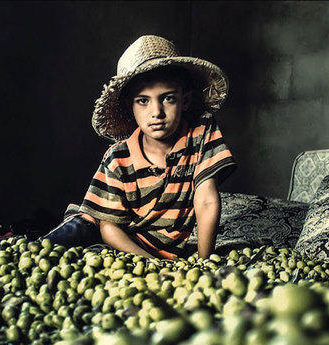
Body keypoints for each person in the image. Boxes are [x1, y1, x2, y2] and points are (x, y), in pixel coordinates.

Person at [44, 35, 236, 260]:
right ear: (129, 106)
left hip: (148, 251)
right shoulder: (118, 158)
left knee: (97, 256)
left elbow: (206, 200)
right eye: (143, 101)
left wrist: (204, 262)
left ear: (185, 101)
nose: (157, 112)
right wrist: (151, 262)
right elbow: (108, 227)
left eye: (168, 99)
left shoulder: (201, 132)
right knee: (59, 245)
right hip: (109, 234)